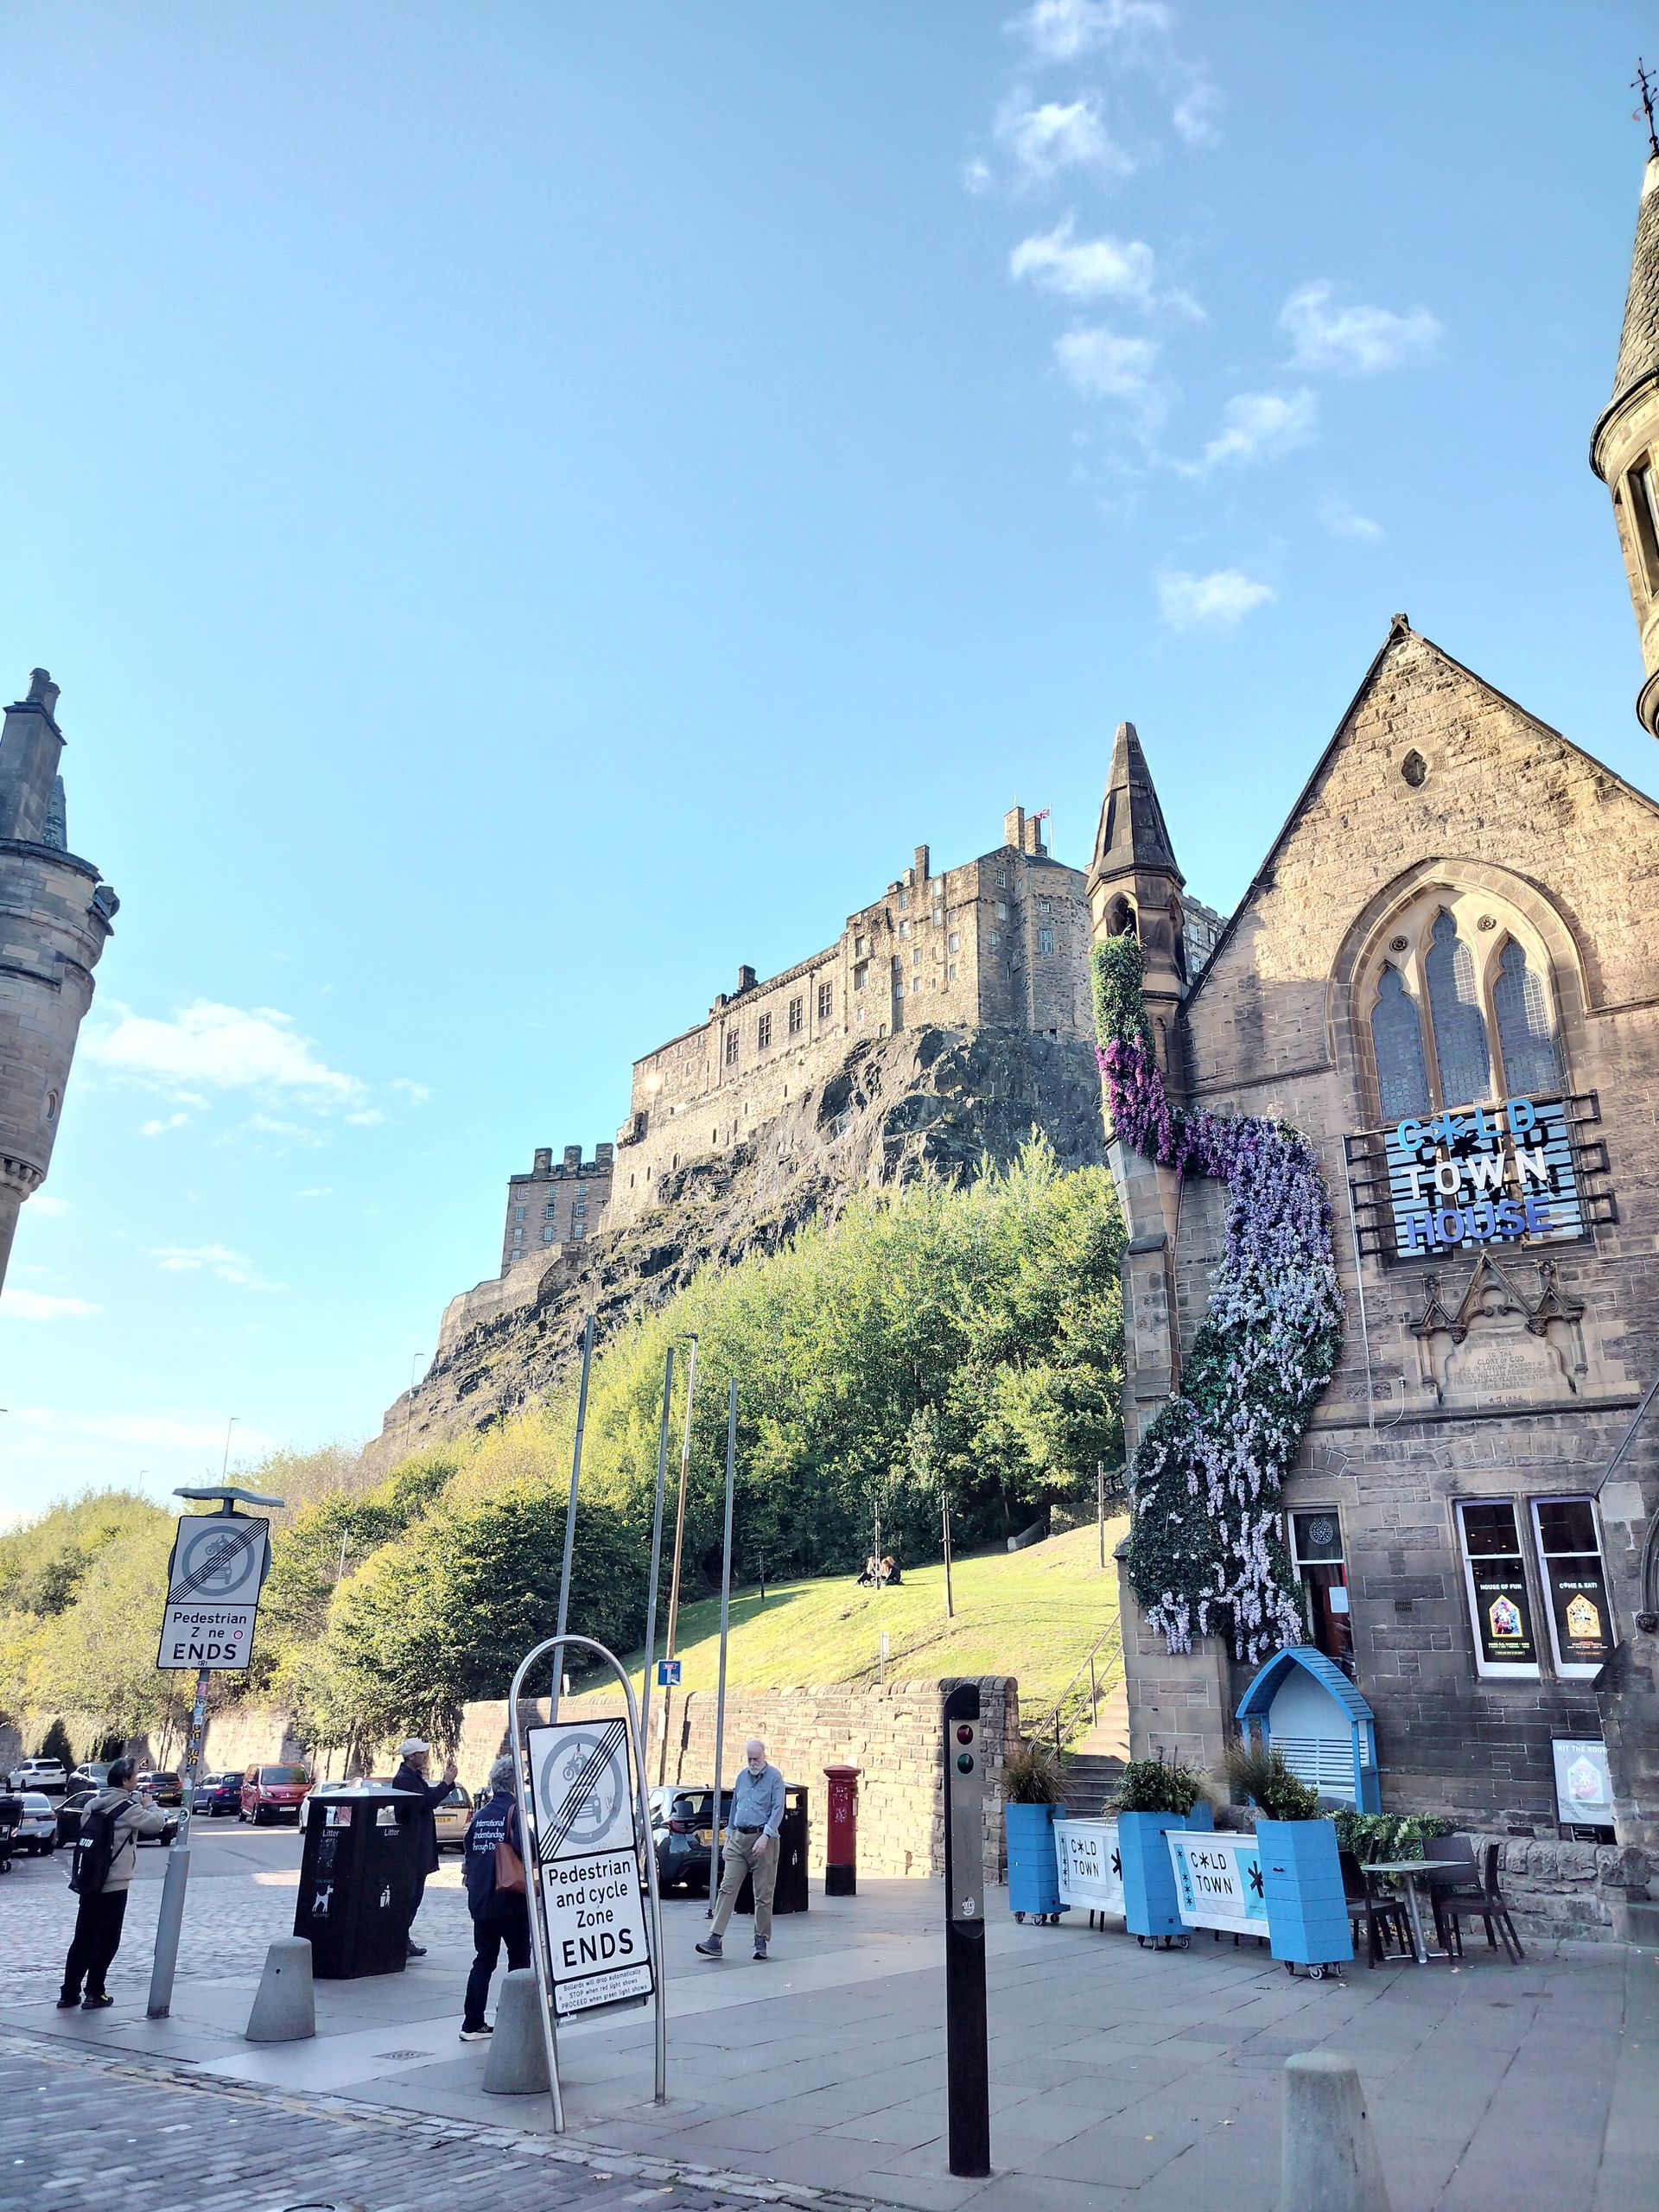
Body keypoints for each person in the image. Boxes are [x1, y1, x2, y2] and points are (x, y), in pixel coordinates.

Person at [57, 1757, 166, 2010]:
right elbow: (156, 1824)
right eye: (136, 1776)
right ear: (126, 1780)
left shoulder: (93, 1805)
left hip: (90, 1880)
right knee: (107, 1941)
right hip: (115, 1884)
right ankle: (95, 1993)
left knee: (82, 1938)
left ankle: (68, 1993)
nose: (138, 1780)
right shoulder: (130, 1810)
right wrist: (151, 1805)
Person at [459, 1752, 531, 2042]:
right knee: (519, 1961)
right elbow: (530, 1850)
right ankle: (512, 2018)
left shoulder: (479, 1816)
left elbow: (470, 1854)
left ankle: (472, 2022)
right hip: (511, 1900)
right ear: (514, 1784)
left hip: (482, 1902)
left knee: (484, 1960)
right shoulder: (514, 1814)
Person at [696, 1738, 785, 1962]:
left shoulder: (775, 1777)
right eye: (749, 1759)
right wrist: (728, 1838)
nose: (753, 1762)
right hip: (738, 1837)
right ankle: (715, 1939)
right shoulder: (742, 1777)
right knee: (727, 1887)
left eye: (756, 1758)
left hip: (763, 1839)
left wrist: (765, 1836)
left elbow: (777, 1809)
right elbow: (735, 1805)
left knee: (763, 1893)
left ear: (764, 1756)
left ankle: (761, 1940)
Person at [390, 1735, 457, 1957]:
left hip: (419, 1846)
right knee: (410, 1896)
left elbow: (429, 1798)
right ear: (411, 1757)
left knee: (415, 1895)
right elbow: (426, 1802)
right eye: (421, 1753)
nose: (425, 1756)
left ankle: (402, 1938)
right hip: (413, 1848)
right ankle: (398, 1939)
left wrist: (445, 1784)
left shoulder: (413, 1777)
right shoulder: (404, 1780)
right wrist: (445, 1783)